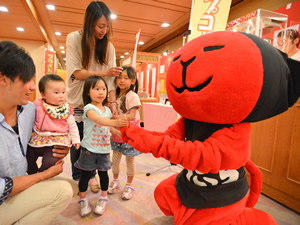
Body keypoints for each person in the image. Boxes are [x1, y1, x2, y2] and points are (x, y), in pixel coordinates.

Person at [0, 40, 78, 224]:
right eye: (27, 80)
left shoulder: (29, 110)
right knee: (62, 192)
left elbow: (55, 127)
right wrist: (42, 176)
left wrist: (60, 146)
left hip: (22, 179)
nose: (34, 87)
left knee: (72, 186)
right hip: (4, 194)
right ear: (3, 79)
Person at [66, 0, 123, 192]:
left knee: (96, 139)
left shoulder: (109, 47)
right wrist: (105, 73)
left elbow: (112, 81)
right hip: (78, 99)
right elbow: (76, 73)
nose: (104, 31)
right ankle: (80, 176)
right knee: (79, 140)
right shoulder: (74, 38)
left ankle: (91, 175)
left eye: (107, 26)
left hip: (99, 102)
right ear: (89, 23)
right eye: (100, 26)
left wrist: (113, 104)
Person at [75, 76, 128, 216]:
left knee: (104, 175)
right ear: (88, 92)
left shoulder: (107, 110)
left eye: (103, 89)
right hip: (89, 150)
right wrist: (116, 123)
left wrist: (119, 133)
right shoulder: (89, 108)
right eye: (96, 89)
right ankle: (82, 198)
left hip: (104, 150)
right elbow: (98, 120)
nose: (101, 92)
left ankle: (103, 197)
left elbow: (107, 127)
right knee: (85, 176)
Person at [26, 74, 80, 174]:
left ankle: (42, 173)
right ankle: (32, 173)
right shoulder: (38, 105)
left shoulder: (66, 109)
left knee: (50, 161)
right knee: (28, 156)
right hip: (39, 137)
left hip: (56, 140)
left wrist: (76, 139)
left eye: (63, 92)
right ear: (43, 94)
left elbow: (72, 125)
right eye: (56, 92)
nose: (61, 95)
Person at [108, 66, 141, 200]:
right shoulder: (114, 95)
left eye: (126, 78)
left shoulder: (132, 96)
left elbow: (132, 115)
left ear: (133, 81)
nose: (121, 81)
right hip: (116, 134)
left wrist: (116, 118)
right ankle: (116, 181)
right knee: (115, 160)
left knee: (129, 161)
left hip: (130, 134)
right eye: (119, 77)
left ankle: (129, 184)